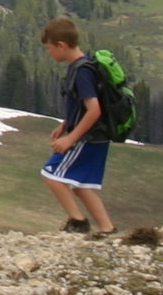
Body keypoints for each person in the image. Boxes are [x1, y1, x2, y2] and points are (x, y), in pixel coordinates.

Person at [38, 17, 116, 238]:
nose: (49, 53)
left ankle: (78, 222)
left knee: (51, 174)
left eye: (49, 48)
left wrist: (70, 138)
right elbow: (82, 105)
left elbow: (94, 110)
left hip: (87, 137)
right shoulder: (86, 65)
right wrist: (65, 124)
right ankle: (108, 229)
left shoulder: (81, 72)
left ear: (61, 44)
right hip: (96, 135)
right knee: (80, 184)